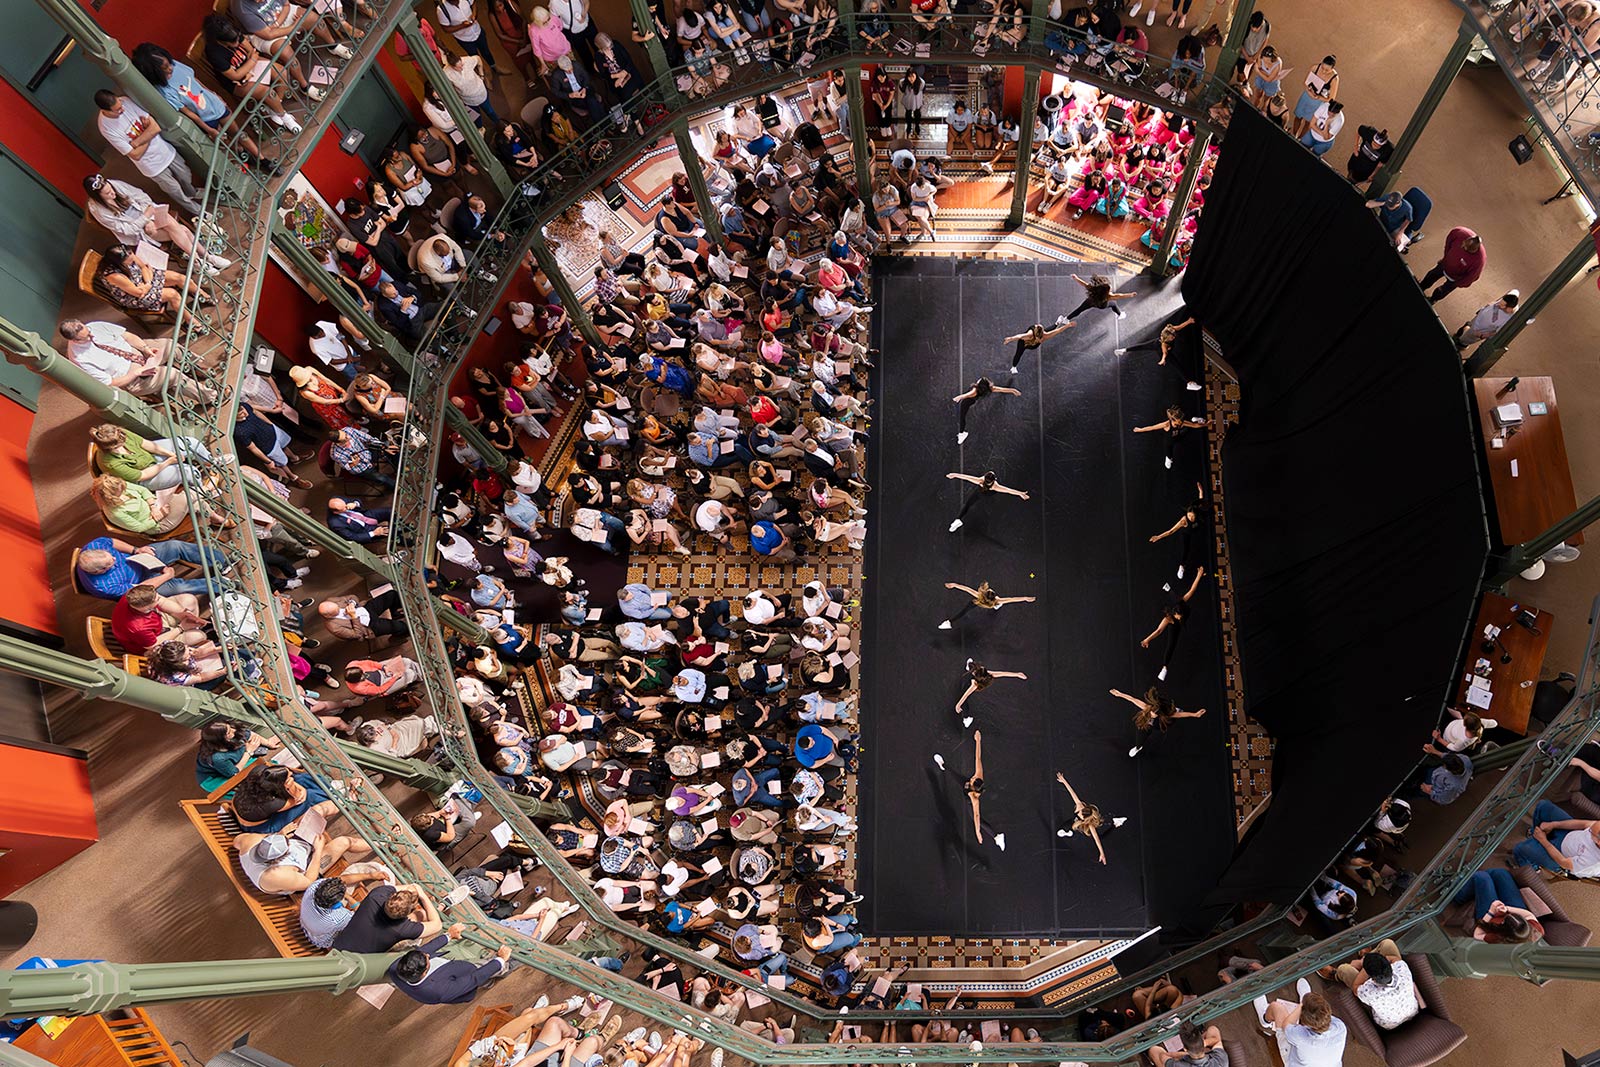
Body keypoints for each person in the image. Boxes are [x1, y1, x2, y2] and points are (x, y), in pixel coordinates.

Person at [83, 174, 228, 270]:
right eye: (108, 194)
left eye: (111, 189)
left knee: (175, 227)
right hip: (140, 230)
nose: (113, 193)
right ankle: (207, 257)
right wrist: (145, 220)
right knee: (180, 229)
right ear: (98, 197)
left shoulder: (114, 185)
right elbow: (127, 230)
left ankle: (199, 262)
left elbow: (141, 196)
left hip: (150, 213)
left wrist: (148, 214)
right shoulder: (98, 210)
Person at [93, 91, 201, 216]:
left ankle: (192, 192)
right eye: (117, 110)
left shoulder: (126, 101)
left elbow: (155, 127)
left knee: (185, 173)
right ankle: (197, 210)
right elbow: (135, 155)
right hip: (151, 165)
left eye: (120, 104)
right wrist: (147, 133)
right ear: (106, 111)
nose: (122, 109)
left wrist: (138, 141)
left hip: (164, 149)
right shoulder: (106, 128)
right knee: (174, 189)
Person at [389, 923, 514, 1004]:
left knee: (485, 978)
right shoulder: (440, 991)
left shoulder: (397, 967)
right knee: (492, 968)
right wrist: (500, 960)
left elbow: (423, 951)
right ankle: (507, 967)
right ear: (425, 971)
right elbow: (474, 978)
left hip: (449, 969)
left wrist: (449, 935)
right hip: (462, 978)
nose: (427, 954)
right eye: (427, 959)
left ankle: (489, 982)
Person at [1323, 940, 1418, 1031]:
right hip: (1412, 1011)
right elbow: (1395, 959)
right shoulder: (1402, 969)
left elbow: (1356, 988)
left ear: (1371, 977)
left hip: (1389, 1024)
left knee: (1344, 969)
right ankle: (1368, 957)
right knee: (1387, 944)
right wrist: (1371, 964)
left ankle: (1336, 975)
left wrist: (1363, 965)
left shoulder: (1369, 992)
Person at [332, 882, 442, 952]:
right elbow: (437, 925)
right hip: (358, 961)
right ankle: (440, 905)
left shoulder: (376, 895)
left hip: (339, 945)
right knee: (421, 915)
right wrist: (422, 896)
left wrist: (412, 890)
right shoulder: (403, 929)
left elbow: (408, 887)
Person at [1253, 986, 1347, 1067]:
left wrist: (1302, 1005)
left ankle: (1265, 1019)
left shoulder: (1300, 1037)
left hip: (1293, 1061)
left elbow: (1287, 1025)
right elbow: (1322, 1019)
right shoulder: (1340, 1027)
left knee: (1277, 1007)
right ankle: (1309, 1007)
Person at [1511, 799, 1600, 875]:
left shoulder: (1593, 863)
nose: (1589, 830)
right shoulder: (1596, 830)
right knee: (1543, 806)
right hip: (1570, 834)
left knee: (1519, 849)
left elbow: (1563, 862)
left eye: (1591, 832)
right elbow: (1584, 824)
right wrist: (1554, 825)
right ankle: (1537, 834)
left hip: (1560, 856)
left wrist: (1543, 840)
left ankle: (1529, 867)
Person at [1112, 686, 1206, 757]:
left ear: (1159, 713)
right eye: (1152, 712)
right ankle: (1138, 747)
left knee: (1172, 717)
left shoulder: (1165, 715)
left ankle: (1174, 709)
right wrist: (1120, 694)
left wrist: (1195, 714)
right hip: (1151, 725)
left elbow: (1181, 715)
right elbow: (1133, 699)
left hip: (1161, 722)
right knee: (1142, 736)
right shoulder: (1147, 708)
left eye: (1154, 713)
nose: (1152, 714)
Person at [1416, 227, 1485, 304]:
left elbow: (1471, 277)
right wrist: (1445, 257)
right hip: (1446, 264)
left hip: (1455, 278)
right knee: (1431, 275)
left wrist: (1456, 284)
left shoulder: (1479, 260)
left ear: (1474, 251)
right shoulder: (1459, 232)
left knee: (1441, 291)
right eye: (1463, 246)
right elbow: (1449, 241)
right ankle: (1421, 286)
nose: (1464, 249)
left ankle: (1432, 300)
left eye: (1467, 250)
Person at [946, 470, 1029, 532]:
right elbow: (1008, 490)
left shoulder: (980, 480)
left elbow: (967, 477)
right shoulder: (995, 486)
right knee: (985, 504)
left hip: (980, 492)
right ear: (994, 480)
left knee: (968, 504)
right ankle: (958, 521)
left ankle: (958, 519)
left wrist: (954, 475)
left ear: (984, 477)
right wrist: (1020, 493)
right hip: (988, 493)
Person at [937, 580, 1035, 630]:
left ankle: (949, 623)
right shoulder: (997, 601)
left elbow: (966, 589)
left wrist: (954, 585)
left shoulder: (979, 596)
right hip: (991, 604)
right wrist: (1025, 598)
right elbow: (1012, 599)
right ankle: (948, 623)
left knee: (964, 611)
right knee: (997, 605)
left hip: (980, 603)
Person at [953, 659, 1027, 724]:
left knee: (964, 701)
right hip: (976, 678)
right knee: (972, 665)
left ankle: (966, 718)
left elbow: (966, 695)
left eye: (975, 672)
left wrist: (958, 705)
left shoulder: (974, 684)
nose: (982, 667)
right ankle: (969, 666)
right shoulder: (986, 674)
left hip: (968, 685)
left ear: (976, 677)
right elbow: (1002, 673)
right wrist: (1017, 674)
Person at [952, 376, 1022, 445]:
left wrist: (959, 397)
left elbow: (968, 394)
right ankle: (961, 433)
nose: (978, 380)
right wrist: (1013, 390)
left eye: (979, 380)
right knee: (962, 417)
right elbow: (1002, 389)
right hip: (972, 401)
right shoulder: (990, 388)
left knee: (962, 417)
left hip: (966, 403)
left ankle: (962, 434)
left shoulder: (975, 391)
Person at [1451, 290, 1519, 351]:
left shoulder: (1509, 318)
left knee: (1465, 339)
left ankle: (1460, 344)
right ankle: (1462, 331)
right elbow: (1514, 291)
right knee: (1468, 326)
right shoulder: (1509, 298)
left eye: (1502, 305)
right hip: (1477, 320)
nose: (1498, 305)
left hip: (1480, 331)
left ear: (1510, 308)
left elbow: (1497, 331)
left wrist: (1483, 335)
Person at [1003, 320, 1074, 375]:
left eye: (1041, 338)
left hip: (1034, 344)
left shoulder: (1045, 335)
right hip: (1024, 343)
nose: (1041, 340)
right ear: (1035, 336)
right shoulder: (1030, 334)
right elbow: (1020, 336)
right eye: (1039, 339)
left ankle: (1056, 323)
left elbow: (1057, 331)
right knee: (1019, 353)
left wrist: (1068, 325)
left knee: (1049, 330)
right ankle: (1013, 367)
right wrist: (1010, 339)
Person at [1147, 1020, 1227, 1067]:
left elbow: (1162, 1056)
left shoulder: (1177, 1065)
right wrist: (1199, 1045)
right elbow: (1215, 1033)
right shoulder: (1221, 1059)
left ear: (1185, 1048)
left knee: (1153, 1050)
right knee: (1212, 1030)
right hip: (1198, 1049)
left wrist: (1184, 1054)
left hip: (1189, 1054)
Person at [1066, 273, 1133, 320]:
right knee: (1114, 304)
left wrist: (1076, 278)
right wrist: (1130, 295)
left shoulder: (1093, 288)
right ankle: (1120, 314)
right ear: (1106, 291)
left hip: (1091, 301)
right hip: (1101, 305)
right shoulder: (1108, 296)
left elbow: (1083, 284)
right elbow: (1119, 296)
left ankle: (1066, 319)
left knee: (1079, 309)